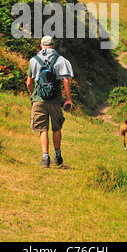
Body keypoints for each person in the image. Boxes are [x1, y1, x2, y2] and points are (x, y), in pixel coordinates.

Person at [26, 36, 74, 167]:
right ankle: (57, 156)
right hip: (55, 100)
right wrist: (68, 99)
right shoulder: (60, 60)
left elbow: (29, 82)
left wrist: (32, 94)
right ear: (53, 46)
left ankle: (45, 158)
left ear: (41, 45)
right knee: (56, 128)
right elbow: (65, 80)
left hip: (38, 99)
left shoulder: (33, 60)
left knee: (43, 129)